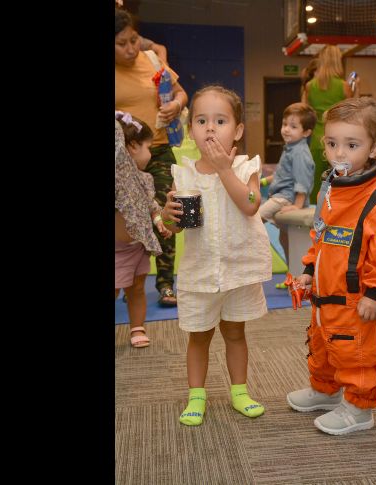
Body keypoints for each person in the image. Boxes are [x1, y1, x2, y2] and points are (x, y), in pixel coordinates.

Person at [286, 97, 376, 435]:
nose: (340, 154)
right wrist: (309, 271)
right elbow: (319, 237)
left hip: (357, 301)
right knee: (322, 346)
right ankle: (325, 389)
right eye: (333, 143)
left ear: (374, 147)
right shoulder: (331, 191)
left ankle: (360, 407)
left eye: (352, 145)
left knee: (357, 353)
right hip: (325, 298)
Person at [159, 85, 272, 426]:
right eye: (201, 120)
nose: (210, 128)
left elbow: (250, 206)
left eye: (220, 120)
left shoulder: (243, 166)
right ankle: (197, 395)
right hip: (201, 273)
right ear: (191, 129)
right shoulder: (184, 173)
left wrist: (224, 169)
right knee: (199, 336)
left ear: (237, 130)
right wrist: (167, 214)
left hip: (238, 271)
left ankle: (239, 391)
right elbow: (175, 228)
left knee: (235, 333)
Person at [116, 8, 189, 307]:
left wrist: (177, 105)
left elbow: (181, 92)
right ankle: (124, 279)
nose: (132, 48)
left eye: (134, 40)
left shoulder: (151, 60)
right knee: (124, 221)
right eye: (122, 43)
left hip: (157, 148)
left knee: (165, 212)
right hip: (120, 159)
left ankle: (165, 284)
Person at [114, 114, 172, 348]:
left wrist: (158, 221)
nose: (151, 154)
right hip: (118, 249)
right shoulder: (119, 178)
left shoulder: (146, 179)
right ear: (133, 146)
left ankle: (137, 327)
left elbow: (152, 206)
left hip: (137, 247)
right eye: (149, 147)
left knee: (137, 288)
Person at [258, 102, 317, 288]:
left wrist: (298, 205)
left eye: (293, 126)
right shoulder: (291, 147)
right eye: (284, 124)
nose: (286, 130)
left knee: (254, 218)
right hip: (281, 193)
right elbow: (283, 173)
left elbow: (302, 179)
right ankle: (292, 276)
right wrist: (264, 181)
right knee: (285, 239)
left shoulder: (300, 152)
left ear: (306, 132)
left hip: (286, 197)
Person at [303, 45, 357, 204]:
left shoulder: (309, 86)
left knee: (317, 182)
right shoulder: (344, 86)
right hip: (338, 141)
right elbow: (352, 113)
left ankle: (314, 215)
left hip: (316, 140)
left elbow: (305, 111)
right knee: (340, 180)